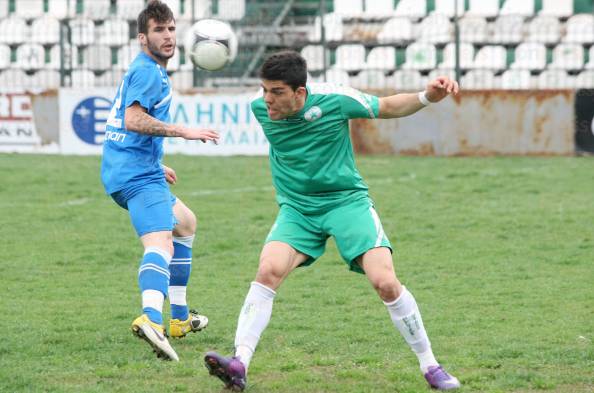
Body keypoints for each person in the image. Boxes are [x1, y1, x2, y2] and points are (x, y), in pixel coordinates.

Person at [204, 51, 461, 390]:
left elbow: (387, 107)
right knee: (267, 270)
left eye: (277, 92)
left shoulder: (335, 100)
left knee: (384, 281)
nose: (267, 99)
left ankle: (430, 365)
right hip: (298, 209)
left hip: (346, 203)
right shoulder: (260, 108)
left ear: (299, 92)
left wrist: (428, 96)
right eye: (264, 89)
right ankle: (239, 363)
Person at [100, 0, 219, 362]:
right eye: (158, 30)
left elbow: (127, 127)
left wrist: (156, 160)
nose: (167, 36)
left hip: (134, 167)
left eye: (170, 29)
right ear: (142, 38)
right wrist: (183, 131)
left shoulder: (148, 70)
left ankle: (180, 319)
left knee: (186, 223)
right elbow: (133, 120)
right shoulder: (149, 71)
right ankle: (151, 318)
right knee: (161, 244)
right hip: (134, 175)